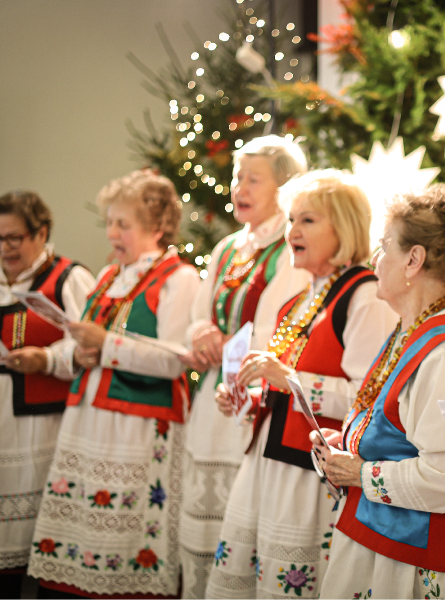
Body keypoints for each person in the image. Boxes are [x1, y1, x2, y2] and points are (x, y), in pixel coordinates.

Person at [314, 184, 445, 600]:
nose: (375, 259)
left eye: (384, 246)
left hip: (426, 552)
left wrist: (358, 472)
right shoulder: (412, 329)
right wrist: (349, 442)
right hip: (389, 534)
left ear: (414, 259)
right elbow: (398, 430)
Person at [204, 170, 397, 599]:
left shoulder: (364, 296)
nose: (292, 231)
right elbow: (284, 388)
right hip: (265, 462)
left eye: (307, 220)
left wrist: (290, 380)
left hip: (308, 476)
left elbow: (372, 400)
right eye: (291, 220)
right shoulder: (299, 300)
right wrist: (249, 398)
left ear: (344, 227)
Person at [27, 170, 200, 599]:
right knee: (76, 538)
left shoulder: (179, 279)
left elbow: (175, 360)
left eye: (124, 224)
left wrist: (106, 347)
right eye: (110, 222)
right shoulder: (108, 276)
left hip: (139, 426)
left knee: (127, 539)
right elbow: (81, 345)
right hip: (86, 421)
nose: (112, 232)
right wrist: (75, 354)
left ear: (157, 227)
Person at [0, 191, 96, 600]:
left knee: (42, 530)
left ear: (41, 232)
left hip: (37, 425)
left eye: (14, 238)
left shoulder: (69, 277)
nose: (4, 247)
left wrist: (45, 359)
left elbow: (88, 343)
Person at [179, 135, 309, 599]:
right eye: (237, 177)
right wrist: (201, 333)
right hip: (213, 400)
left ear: (286, 187)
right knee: (200, 528)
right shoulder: (229, 246)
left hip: (255, 400)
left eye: (254, 179)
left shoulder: (292, 250)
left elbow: (285, 329)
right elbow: (199, 311)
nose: (240, 187)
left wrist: (235, 344)